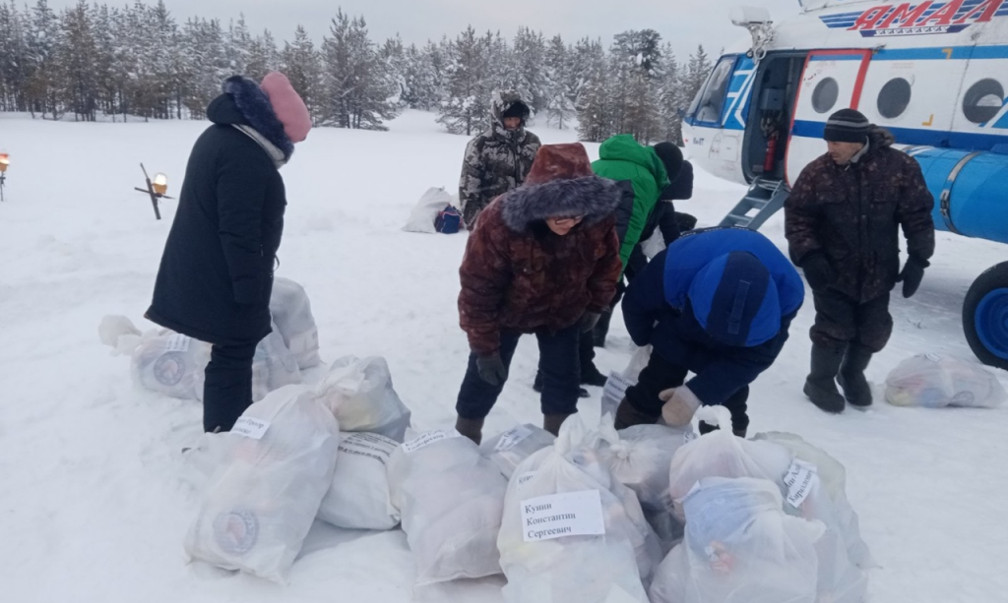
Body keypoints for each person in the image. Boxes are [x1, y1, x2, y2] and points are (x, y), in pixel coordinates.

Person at [145, 72, 311, 433]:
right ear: (274, 128)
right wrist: (250, 292)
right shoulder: (245, 156)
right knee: (232, 356)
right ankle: (224, 439)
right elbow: (240, 232)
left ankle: (232, 428)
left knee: (230, 356)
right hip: (222, 276)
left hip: (208, 268)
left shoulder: (224, 136)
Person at [454, 143, 623, 444]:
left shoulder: (597, 219)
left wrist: (597, 304)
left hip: (564, 312)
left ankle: (557, 448)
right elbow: (478, 287)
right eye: (559, 215)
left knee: (564, 379)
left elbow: (607, 264)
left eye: (577, 215)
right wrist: (484, 347)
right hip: (507, 313)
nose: (569, 222)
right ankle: (466, 438)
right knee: (484, 378)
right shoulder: (500, 221)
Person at [785, 108, 935, 413]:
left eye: (837, 142)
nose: (830, 148)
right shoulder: (818, 172)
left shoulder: (899, 167)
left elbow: (917, 214)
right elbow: (798, 216)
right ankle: (819, 379)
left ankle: (851, 372)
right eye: (828, 141)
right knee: (834, 328)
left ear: (857, 140)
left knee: (874, 329)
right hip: (832, 270)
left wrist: (919, 257)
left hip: (879, 271)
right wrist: (810, 254)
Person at [614, 227, 805, 438]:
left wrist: (695, 395)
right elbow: (635, 304)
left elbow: (755, 358)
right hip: (682, 324)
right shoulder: (676, 267)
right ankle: (627, 435)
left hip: (738, 345)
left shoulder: (788, 293)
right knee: (658, 378)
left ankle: (723, 448)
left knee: (728, 393)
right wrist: (646, 338)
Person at [593, 141, 694, 347]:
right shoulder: (644, 188)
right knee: (614, 288)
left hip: (629, 245)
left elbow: (671, 233)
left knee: (643, 284)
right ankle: (595, 334)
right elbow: (625, 233)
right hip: (613, 244)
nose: (670, 201)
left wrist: (682, 263)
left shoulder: (663, 202)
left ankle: (644, 333)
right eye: (671, 196)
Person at [458, 90, 541, 228]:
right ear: (498, 118)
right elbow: (469, 190)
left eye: (517, 119)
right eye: (508, 119)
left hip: (528, 222)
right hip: (492, 222)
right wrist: (478, 226)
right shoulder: (480, 145)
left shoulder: (532, 142)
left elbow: (542, 180)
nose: (513, 124)